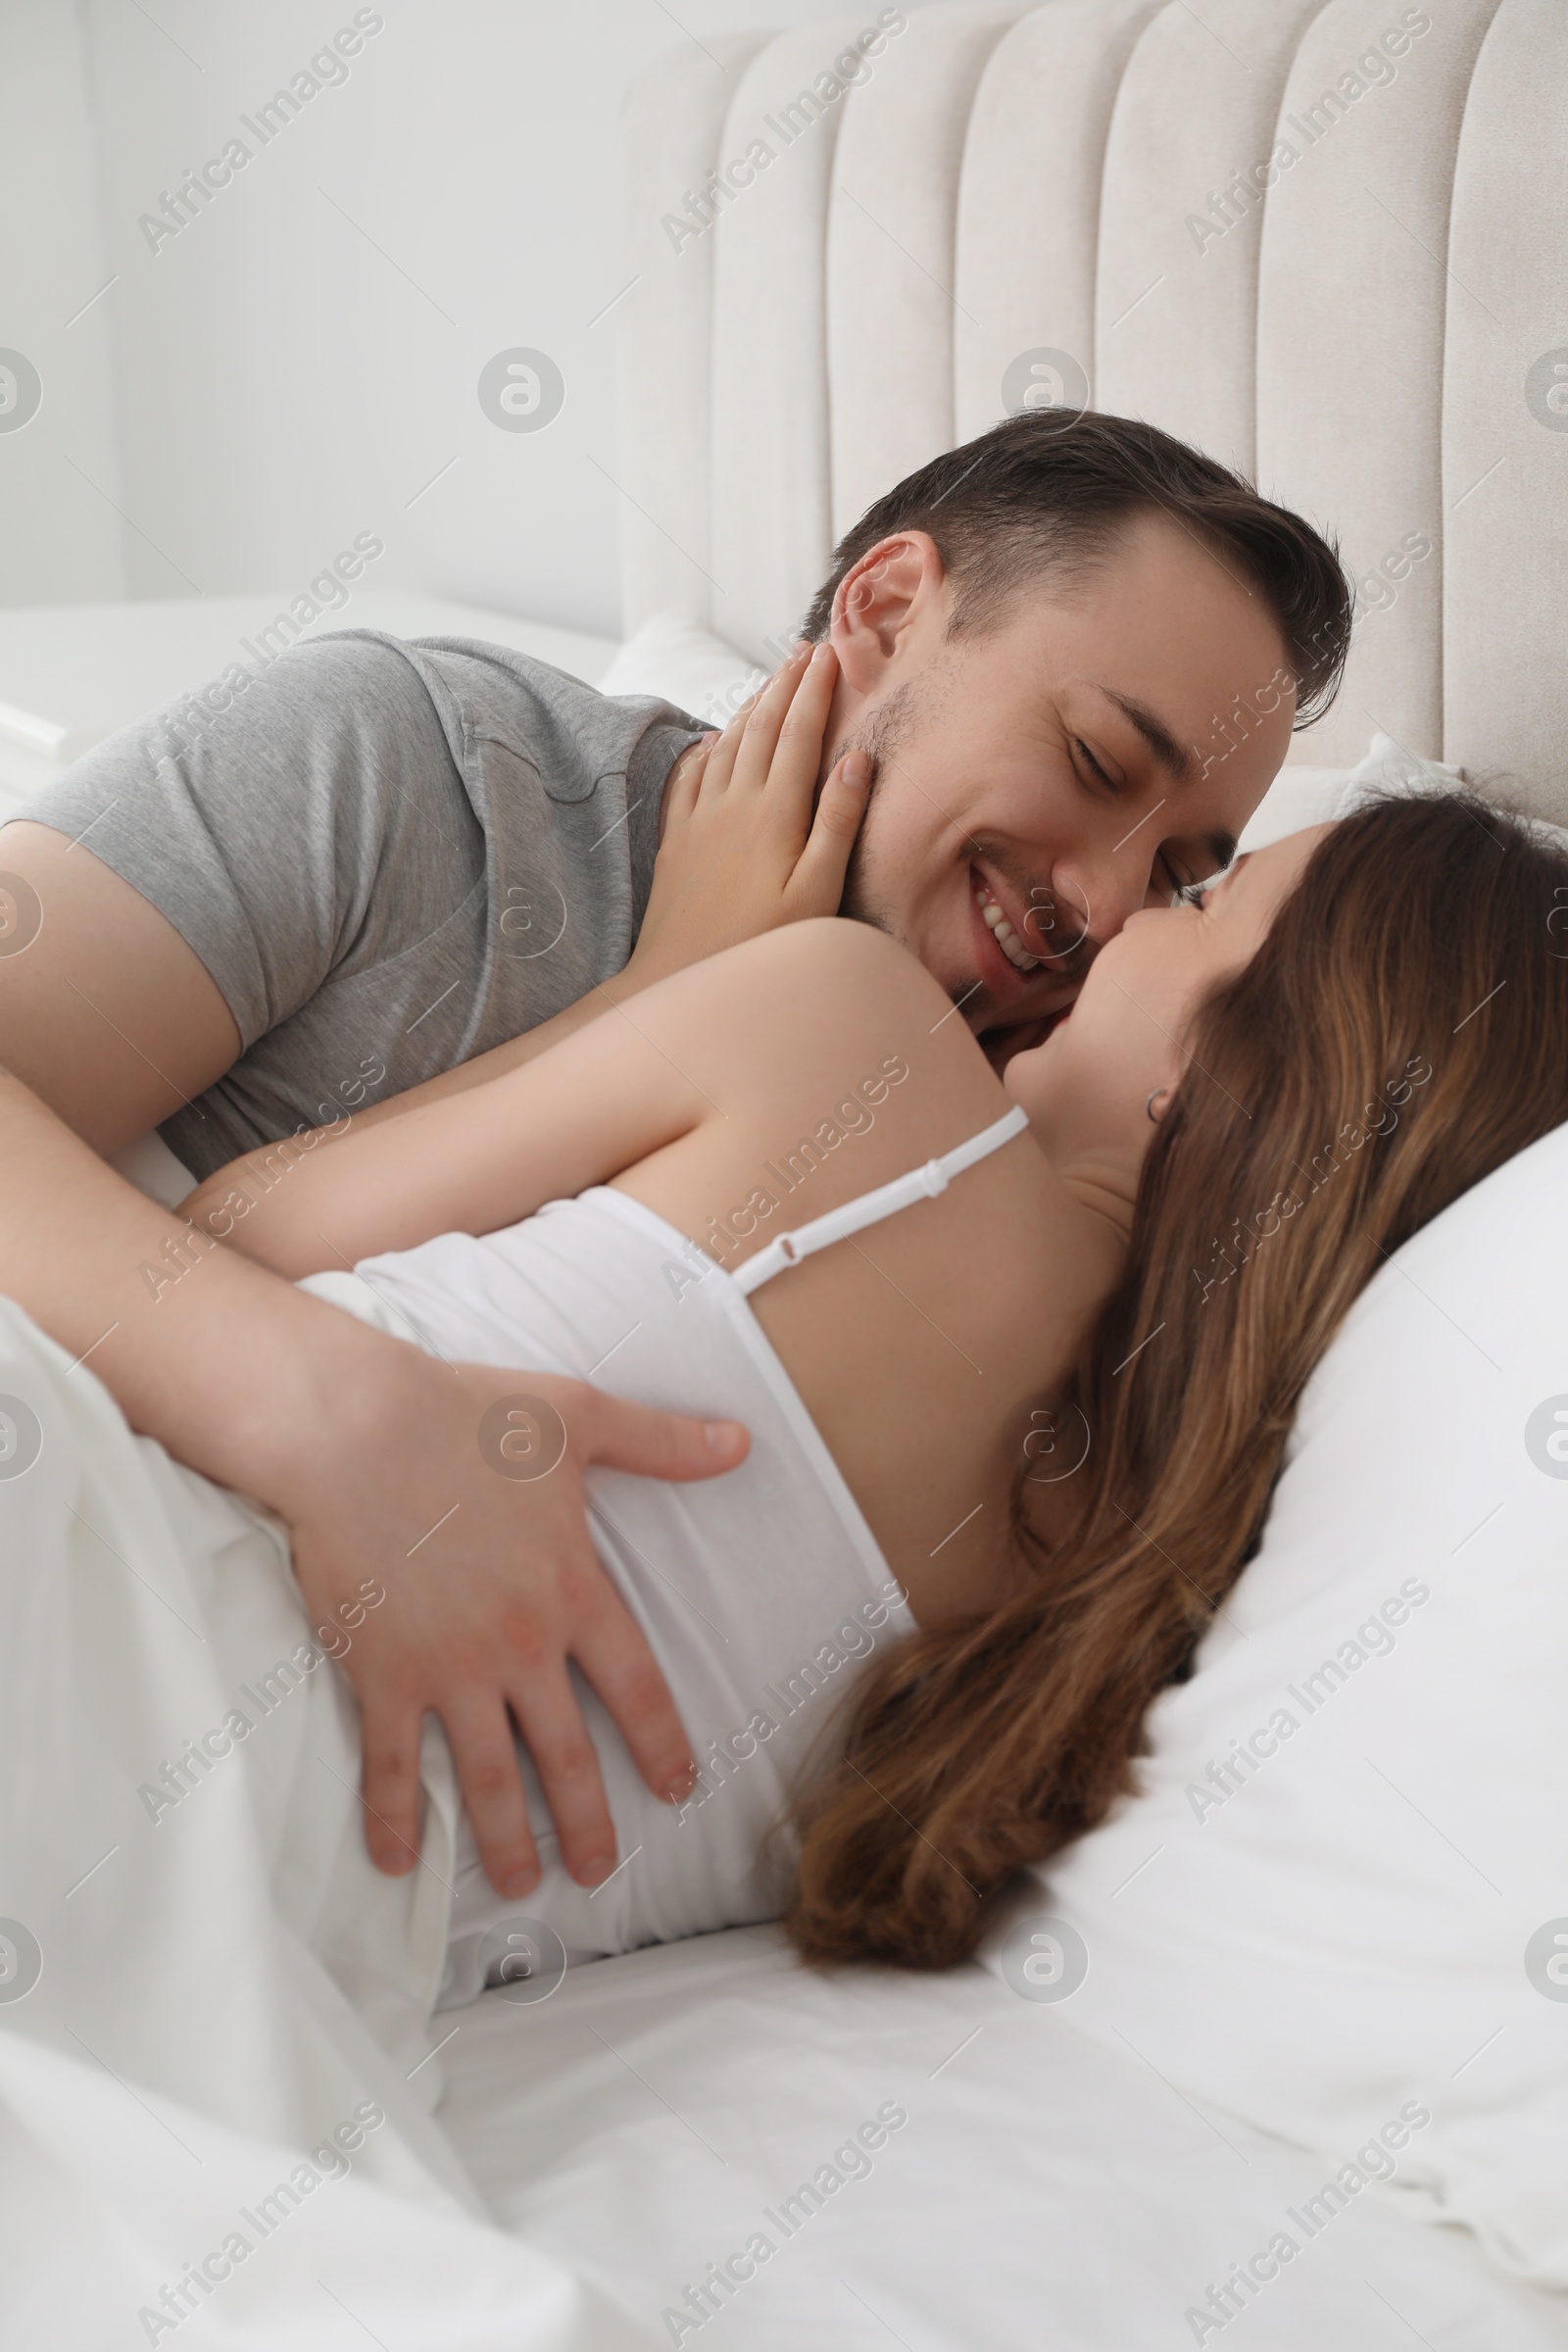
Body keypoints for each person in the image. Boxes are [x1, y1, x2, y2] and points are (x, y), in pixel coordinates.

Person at [0, 408, 1351, 1904]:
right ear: (891, 612)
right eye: (1097, 759)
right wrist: (323, 1408)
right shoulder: (423, 767)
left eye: (1182, 875)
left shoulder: (1015, 1168)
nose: (1105, 905)